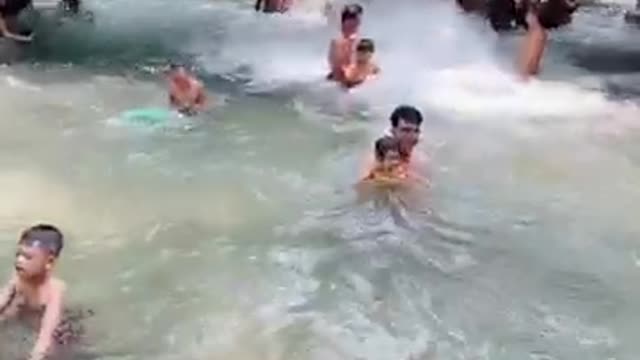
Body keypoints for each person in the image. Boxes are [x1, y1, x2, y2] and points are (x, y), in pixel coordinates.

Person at [0, 224, 77, 360]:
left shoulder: (54, 290)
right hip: (28, 316)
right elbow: (2, 300)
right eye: (18, 254)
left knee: (57, 351)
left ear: (49, 262)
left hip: (60, 330)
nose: (19, 260)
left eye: (28, 257)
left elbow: (47, 333)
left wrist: (36, 355)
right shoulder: (18, 279)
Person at [327, 3, 363, 82]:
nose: (357, 22)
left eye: (357, 18)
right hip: (343, 81)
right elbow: (337, 68)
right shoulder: (337, 43)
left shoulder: (358, 41)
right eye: (353, 18)